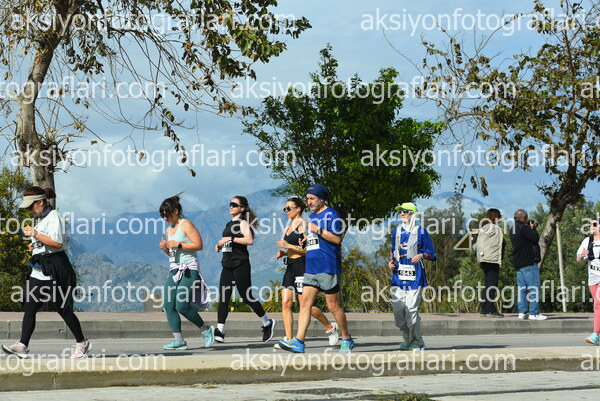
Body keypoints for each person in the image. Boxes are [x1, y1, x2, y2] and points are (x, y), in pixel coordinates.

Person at [1, 187, 91, 359]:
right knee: (30, 306)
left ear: (41, 202)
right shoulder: (40, 218)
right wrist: (34, 245)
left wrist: (35, 234)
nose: (29, 210)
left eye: (31, 206)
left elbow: (57, 243)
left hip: (55, 270)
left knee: (63, 309)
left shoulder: (54, 217)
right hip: (39, 271)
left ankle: (82, 343)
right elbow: (45, 242)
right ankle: (22, 345)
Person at [278, 184, 355, 353]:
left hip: (328, 266)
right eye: (308, 199)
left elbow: (337, 239)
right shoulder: (312, 216)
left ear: (322, 199)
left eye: (312, 198)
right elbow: (315, 239)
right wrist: (306, 240)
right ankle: (299, 342)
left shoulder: (332, 215)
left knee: (333, 306)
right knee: (304, 303)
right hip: (311, 267)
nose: (309, 202)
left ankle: (346, 338)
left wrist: (317, 230)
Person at [275, 197, 339, 348]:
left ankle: (330, 326)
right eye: (285, 208)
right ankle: (289, 339)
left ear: (298, 209)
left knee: (305, 305)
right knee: (286, 302)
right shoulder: (288, 227)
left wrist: (288, 245)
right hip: (290, 266)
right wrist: (285, 253)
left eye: (289, 208)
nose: (286, 211)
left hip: (302, 266)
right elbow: (293, 248)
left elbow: (307, 249)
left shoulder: (304, 226)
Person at [214, 196, 275, 342]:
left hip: (240, 264)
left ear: (242, 208)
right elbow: (229, 242)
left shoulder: (243, 223)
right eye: (230, 204)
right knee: (223, 298)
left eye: (234, 204)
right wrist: (220, 245)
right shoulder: (229, 224)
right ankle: (220, 331)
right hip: (227, 265)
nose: (231, 206)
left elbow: (249, 240)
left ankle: (267, 322)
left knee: (247, 297)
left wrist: (230, 239)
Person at [159, 195, 215, 350]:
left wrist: (178, 244)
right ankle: (179, 340)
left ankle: (206, 329)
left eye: (167, 214)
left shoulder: (186, 224)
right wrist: (166, 249)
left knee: (182, 306)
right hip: (175, 269)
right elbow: (173, 254)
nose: (165, 218)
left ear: (176, 211)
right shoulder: (169, 230)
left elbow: (199, 245)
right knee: (168, 305)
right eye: (163, 215)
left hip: (189, 269)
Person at [388, 202, 436, 351]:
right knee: (398, 313)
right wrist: (391, 262)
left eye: (406, 211)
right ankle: (407, 337)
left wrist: (421, 255)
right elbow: (393, 251)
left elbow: (432, 254)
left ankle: (417, 342)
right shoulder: (396, 231)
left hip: (415, 277)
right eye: (401, 212)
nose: (402, 214)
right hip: (398, 276)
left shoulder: (421, 232)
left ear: (413, 215)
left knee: (411, 310)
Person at [510, 209, 547, 320]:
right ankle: (534, 313)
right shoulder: (524, 228)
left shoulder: (513, 229)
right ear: (523, 218)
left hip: (519, 263)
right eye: (525, 218)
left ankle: (522, 312)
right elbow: (535, 238)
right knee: (534, 288)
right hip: (529, 263)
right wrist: (532, 228)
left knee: (522, 289)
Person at [475, 208, 506, 318]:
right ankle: (490, 309)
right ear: (496, 217)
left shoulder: (484, 228)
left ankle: (484, 308)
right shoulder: (495, 228)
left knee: (487, 284)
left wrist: (481, 256)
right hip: (492, 259)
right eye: (499, 217)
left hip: (484, 259)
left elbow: (479, 244)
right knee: (492, 284)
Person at [576, 217, 600, 345]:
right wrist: (581, 255)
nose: (592, 227)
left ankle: (595, 334)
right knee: (597, 306)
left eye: (595, 224)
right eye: (591, 225)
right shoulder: (587, 240)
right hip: (592, 278)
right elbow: (578, 260)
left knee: (597, 303)